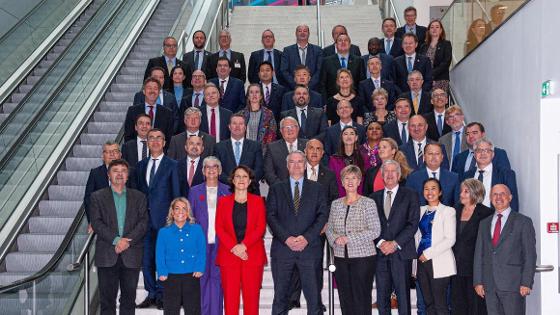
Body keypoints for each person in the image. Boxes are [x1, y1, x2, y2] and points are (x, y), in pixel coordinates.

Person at [267, 150, 328, 315]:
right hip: (283, 249)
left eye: (300, 162)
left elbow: (322, 216)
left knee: (314, 298)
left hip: (310, 249)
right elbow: (271, 216)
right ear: (287, 166)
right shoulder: (276, 188)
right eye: (292, 162)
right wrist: (286, 238)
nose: (296, 165)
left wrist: (306, 238)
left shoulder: (317, 188)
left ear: (305, 165)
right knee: (280, 298)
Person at [90, 159, 148, 315]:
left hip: (132, 253)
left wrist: (127, 241)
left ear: (128, 176)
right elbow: (96, 222)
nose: (120, 174)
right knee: (107, 301)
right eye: (115, 171)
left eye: (123, 170)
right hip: (107, 254)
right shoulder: (97, 197)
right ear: (109, 175)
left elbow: (144, 222)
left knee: (129, 300)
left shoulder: (139, 197)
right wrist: (117, 240)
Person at [135, 128, 181, 309]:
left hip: (165, 222)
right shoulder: (140, 166)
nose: (154, 141)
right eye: (151, 138)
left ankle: (162, 295)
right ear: (147, 142)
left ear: (164, 143)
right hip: (143, 222)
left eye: (158, 138)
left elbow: (177, 194)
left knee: (163, 259)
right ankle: (151, 293)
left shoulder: (173, 165)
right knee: (146, 260)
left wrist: (176, 221)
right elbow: (137, 194)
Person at [473, 184, 536, 315]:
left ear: (510, 197)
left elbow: (529, 255)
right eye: (495, 194)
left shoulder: (523, 222)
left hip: (513, 285)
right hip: (489, 285)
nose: (498, 197)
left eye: (502, 194)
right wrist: (478, 281)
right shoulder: (484, 223)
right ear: (490, 198)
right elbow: (479, 254)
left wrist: (526, 282)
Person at [326, 165, 381, 315]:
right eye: (347, 178)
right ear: (342, 182)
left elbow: (375, 230)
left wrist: (348, 238)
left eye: (354, 178)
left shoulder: (368, 203)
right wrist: (335, 238)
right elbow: (329, 229)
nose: (350, 181)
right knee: (345, 297)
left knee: (361, 297)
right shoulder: (335, 204)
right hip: (340, 258)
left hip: (363, 258)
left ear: (359, 181)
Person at [370, 160, 420, 315]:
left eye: (393, 171)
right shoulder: (373, 198)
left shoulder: (410, 195)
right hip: (380, 253)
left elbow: (412, 224)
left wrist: (395, 243)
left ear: (399, 175)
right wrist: (381, 243)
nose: (390, 174)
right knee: (382, 296)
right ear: (382, 175)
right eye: (386, 172)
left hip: (401, 252)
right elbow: (370, 225)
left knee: (403, 296)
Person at [216, 166, 267, 315]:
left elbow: (260, 228)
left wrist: (243, 246)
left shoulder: (258, 201)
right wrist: (234, 247)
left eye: (245, 176)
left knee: (252, 301)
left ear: (250, 180)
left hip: (252, 255)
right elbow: (219, 228)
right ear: (232, 180)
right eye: (237, 176)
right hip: (228, 255)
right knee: (230, 302)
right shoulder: (223, 202)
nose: (241, 180)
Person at [189, 156, 231, 315]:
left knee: (218, 283)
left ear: (219, 171)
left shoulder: (227, 191)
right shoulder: (194, 191)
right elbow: (190, 218)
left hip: (222, 244)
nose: (211, 170)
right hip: (201, 244)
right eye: (208, 167)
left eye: (215, 167)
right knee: (201, 282)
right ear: (203, 171)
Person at [156, 197, 206, 315]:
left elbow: (201, 250)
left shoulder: (197, 230)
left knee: (193, 309)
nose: (181, 212)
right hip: (171, 276)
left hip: (192, 275)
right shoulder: (164, 232)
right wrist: (162, 271)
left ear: (188, 212)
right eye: (177, 208)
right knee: (171, 310)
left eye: (184, 209)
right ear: (172, 212)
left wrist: (199, 267)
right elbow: (159, 253)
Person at [414, 178, 456, 315]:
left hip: (439, 261)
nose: (429, 192)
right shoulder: (420, 210)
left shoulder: (448, 211)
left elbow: (450, 239)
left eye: (433, 188)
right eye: (426, 189)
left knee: (440, 304)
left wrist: (428, 254)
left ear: (440, 192)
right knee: (428, 303)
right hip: (421, 262)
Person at [451, 178, 492, 315]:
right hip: (455, 267)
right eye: (462, 191)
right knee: (458, 305)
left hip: (476, 269)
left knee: (476, 307)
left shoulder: (487, 213)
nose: (461, 194)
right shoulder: (454, 210)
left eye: (466, 191)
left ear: (476, 193)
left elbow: (488, 245)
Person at [463, 138, 518, 211]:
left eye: (487, 150)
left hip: (494, 219)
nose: (483, 153)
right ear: (474, 155)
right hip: (471, 219)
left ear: (492, 154)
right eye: (479, 150)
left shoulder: (506, 174)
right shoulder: (466, 176)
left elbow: (513, 203)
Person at [214, 113, 264, 185]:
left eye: (240, 124)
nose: (237, 127)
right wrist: (233, 182)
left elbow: (259, 170)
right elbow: (217, 170)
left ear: (245, 127)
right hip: (227, 189)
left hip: (250, 189)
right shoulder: (219, 147)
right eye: (234, 123)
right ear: (229, 127)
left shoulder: (256, 146)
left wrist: (245, 183)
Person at [125, 77, 175, 144]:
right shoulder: (132, 111)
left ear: (159, 92)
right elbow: (128, 136)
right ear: (144, 91)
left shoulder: (167, 113)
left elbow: (168, 138)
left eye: (155, 88)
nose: (152, 91)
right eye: (149, 88)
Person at [319, 33, 365, 100]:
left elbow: (362, 83)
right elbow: (322, 84)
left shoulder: (359, 61)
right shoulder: (327, 61)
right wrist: (325, 103)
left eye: (346, 40)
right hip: (333, 101)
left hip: (354, 100)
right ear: (336, 45)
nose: (343, 42)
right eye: (340, 40)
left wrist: (360, 100)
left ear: (350, 44)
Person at [85, 141, 121, 224]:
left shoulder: (131, 172)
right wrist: (92, 221)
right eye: (108, 152)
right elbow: (88, 199)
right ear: (102, 156)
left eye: (115, 151)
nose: (112, 154)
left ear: (120, 154)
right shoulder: (95, 173)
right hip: (103, 223)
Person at [263, 117, 308, 185]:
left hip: (305, 189)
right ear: (281, 131)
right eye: (286, 127)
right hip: (280, 190)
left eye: (292, 126)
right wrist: (282, 188)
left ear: (298, 128)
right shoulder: (272, 148)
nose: (290, 130)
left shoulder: (308, 145)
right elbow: (269, 173)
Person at [280, 24, 323, 91]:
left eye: (305, 31)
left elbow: (319, 70)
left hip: (313, 90)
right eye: (300, 31)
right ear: (296, 34)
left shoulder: (318, 50)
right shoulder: (287, 50)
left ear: (309, 34)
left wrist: (308, 86)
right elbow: (284, 70)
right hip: (292, 90)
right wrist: (296, 85)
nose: (302, 33)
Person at [329, 125, 365, 197]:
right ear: (342, 138)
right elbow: (332, 183)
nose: (349, 136)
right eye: (345, 134)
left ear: (356, 138)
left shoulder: (363, 158)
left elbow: (365, 182)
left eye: (352, 134)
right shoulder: (333, 159)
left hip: (359, 199)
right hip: (340, 199)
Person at [419, 20, 452, 92]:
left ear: (441, 30)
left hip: (440, 79)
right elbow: (420, 63)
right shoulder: (423, 46)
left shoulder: (446, 44)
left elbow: (446, 62)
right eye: (432, 27)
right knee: (426, 101)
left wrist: (431, 74)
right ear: (429, 31)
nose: (434, 29)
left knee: (439, 101)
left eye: (437, 27)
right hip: (425, 80)